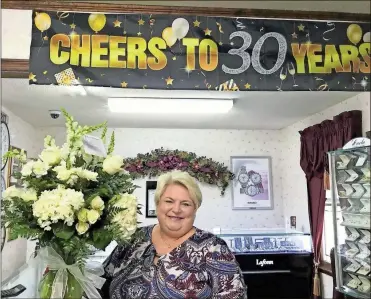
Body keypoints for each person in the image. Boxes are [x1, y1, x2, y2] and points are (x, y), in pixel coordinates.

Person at [101, 170, 247, 299]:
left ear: (195, 209)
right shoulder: (135, 238)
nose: (176, 209)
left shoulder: (215, 249)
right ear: (157, 204)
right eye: (169, 201)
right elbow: (99, 282)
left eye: (185, 204)